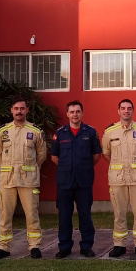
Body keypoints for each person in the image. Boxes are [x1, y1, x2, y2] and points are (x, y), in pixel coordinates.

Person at [0, 96, 47, 260]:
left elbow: (41, 156)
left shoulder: (36, 131)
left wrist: (29, 169)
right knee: (5, 214)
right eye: (16, 108)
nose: (19, 111)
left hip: (28, 180)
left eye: (22, 108)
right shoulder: (2, 132)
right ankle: (3, 247)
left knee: (32, 214)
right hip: (7, 180)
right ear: (11, 111)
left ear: (27, 110)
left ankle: (34, 246)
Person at [102, 99, 136, 258]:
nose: (126, 111)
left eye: (129, 108)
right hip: (118, 178)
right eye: (123, 108)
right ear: (118, 111)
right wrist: (119, 166)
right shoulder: (110, 132)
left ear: (133, 111)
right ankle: (119, 245)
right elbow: (106, 154)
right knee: (119, 213)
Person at [51, 100, 102, 258]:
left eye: (78, 111)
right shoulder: (60, 133)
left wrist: (83, 167)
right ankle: (64, 247)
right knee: (64, 216)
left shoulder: (90, 132)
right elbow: (54, 157)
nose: (75, 114)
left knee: (85, 215)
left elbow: (97, 155)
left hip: (84, 181)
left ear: (82, 113)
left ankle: (86, 246)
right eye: (72, 112)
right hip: (65, 182)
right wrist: (68, 168)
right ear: (67, 114)